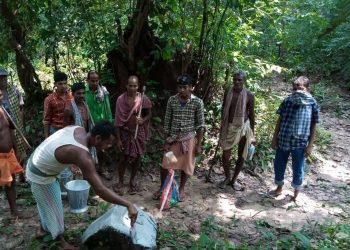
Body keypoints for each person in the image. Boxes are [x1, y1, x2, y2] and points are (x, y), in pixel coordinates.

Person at [26, 121, 138, 249]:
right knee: (55, 211)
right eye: (107, 144)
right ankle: (60, 242)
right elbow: (100, 190)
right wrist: (128, 204)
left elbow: (59, 142)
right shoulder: (83, 157)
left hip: (37, 161)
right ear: (98, 138)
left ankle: (43, 229)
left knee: (46, 203)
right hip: (40, 174)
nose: (107, 147)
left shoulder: (78, 129)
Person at [153, 74, 205, 202]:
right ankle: (163, 187)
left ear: (191, 88)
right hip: (173, 140)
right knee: (166, 164)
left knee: (184, 166)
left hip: (188, 140)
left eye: (185, 87)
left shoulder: (197, 102)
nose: (182, 90)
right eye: (180, 87)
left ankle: (181, 188)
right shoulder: (172, 100)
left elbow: (201, 125)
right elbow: (167, 122)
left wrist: (199, 145)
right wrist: (166, 141)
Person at [271, 76, 319, 201]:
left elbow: (314, 125)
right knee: (279, 165)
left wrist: (310, 145)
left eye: (301, 88)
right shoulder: (287, 100)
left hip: (300, 142)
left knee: (298, 167)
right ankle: (279, 188)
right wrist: (274, 138)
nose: (297, 90)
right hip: (284, 139)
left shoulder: (312, 103)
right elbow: (280, 120)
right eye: (295, 88)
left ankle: (296, 193)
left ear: (307, 89)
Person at [218, 70, 255, 191]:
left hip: (244, 127)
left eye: (239, 79)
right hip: (229, 126)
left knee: (241, 155)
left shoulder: (249, 95)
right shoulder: (228, 92)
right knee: (225, 154)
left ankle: (234, 180)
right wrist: (222, 124)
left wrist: (252, 135)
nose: (236, 82)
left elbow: (252, 114)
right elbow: (224, 108)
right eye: (235, 79)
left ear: (244, 81)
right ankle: (227, 177)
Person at [114, 75, 152, 195]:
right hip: (124, 132)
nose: (132, 88)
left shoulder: (143, 99)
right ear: (126, 86)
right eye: (130, 85)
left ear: (138, 86)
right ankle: (120, 181)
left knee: (137, 158)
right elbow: (118, 122)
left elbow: (149, 114)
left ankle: (132, 181)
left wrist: (143, 120)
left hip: (138, 132)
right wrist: (118, 139)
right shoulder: (121, 99)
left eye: (135, 86)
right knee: (123, 158)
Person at [64, 82, 97, 179]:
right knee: (77, 167)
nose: (81, 95)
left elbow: (88, 123)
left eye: (83, 93)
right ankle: (77, 188)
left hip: (86, 139)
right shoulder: (69, 109)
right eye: (78, 93)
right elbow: (65, 128)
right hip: (74, 141)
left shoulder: (86, 105)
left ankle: (87, 185)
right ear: (73, 94)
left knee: (87, 164)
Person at [0, 67, 28, 176]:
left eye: (4, 78)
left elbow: (21, 108)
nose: (2, 80)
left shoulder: (14, 90)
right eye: (0, 78)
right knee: (8, 150)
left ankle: (21, 174)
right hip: (4, 128)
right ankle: (9, 174)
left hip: (16, 125)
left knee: (20, 149)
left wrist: (21, 123)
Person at [85, 71, 113, 179]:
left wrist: (109, 123)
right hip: (88, 124)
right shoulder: (84, 92)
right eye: (92, 81)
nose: (95, 83)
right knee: (88, 148)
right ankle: (90, 171)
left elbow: (107, 107)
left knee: (103, 148)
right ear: (87, 81)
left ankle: (102, 168)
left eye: (97, 80)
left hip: (101, 125)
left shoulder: (103, 91)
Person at [0, 89, 24, 217]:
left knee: (10, 182)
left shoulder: (4, 111)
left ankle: (14, 211)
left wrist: (16, 149)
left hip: (8, 154)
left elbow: (10, 132)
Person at [43, 71, 73, 138]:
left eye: (65, 83)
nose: (63, 86)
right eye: (60, 84)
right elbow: (46, 120)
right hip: (56, 131)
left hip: (71, 130)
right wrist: (46, 137)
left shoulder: (71, 96)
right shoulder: (49, 99)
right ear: (55, 84)